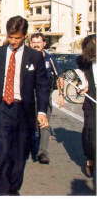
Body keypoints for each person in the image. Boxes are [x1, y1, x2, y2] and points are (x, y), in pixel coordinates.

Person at [0, 16, 49, 196]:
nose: (14, 41)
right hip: (2, 108)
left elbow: (42, 86)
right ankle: (2, 191)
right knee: (3, 149)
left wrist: (42, 111)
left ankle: (13, 187)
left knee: (20, 154)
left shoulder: (35, 56)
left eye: (17, 38)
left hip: (24, 110)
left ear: (24, 36)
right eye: (11, 37)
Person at [29, 32, 64, 164]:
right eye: (34, 42)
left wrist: (61, 95)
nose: (36, 44)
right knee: (30, 123)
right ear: (30, 44)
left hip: (45, 95)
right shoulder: (26, 58)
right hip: (28, 96)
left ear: (44, 43)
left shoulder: (50, 59)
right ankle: (31, 146)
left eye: (39, 42)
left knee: (44, 123)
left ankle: (43, 152)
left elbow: (59, 76)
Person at [76, 34, 96, 178]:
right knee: (90, 132)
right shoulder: (83, 62)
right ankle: (90, 159)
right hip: (91, 101)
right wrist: (82, 87)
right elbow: (81, 81)